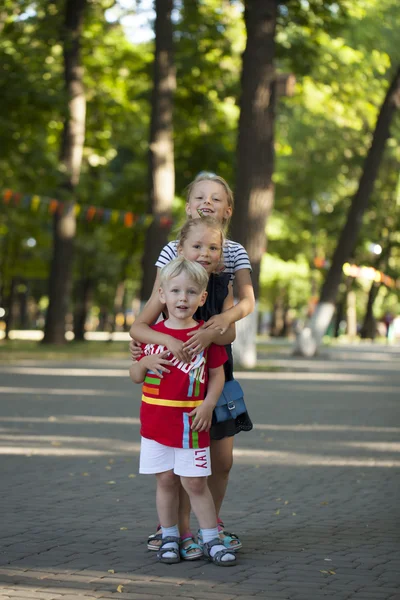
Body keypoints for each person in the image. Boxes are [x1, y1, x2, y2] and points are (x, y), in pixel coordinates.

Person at [131, 172, 255, 557]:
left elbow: (244, 307)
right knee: (176, 460)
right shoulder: (173, 252)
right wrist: (156, 349)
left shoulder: (231, 252)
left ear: (228, 209)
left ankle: (209, 526)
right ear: (187, 207)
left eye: (216, 198)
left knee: (220, 458)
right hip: (175, 371)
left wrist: (218, 325)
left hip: (214, 366)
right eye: (200, 196)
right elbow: (153, 312)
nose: (208, 202)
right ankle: (176, 530)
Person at [129, 257, 237, 567]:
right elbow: (134, 376)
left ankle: (211, 539)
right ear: (161, 294)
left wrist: (208, 404)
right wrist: (142, 365)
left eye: (191, 292)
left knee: (195, 483)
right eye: (175, 291)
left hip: (192, 424)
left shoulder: (205, 336)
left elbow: (217, 375)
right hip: (156, 424)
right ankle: (170, 536)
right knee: (164, 480)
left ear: (202, 298)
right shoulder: (150, 336)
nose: (182, 298)